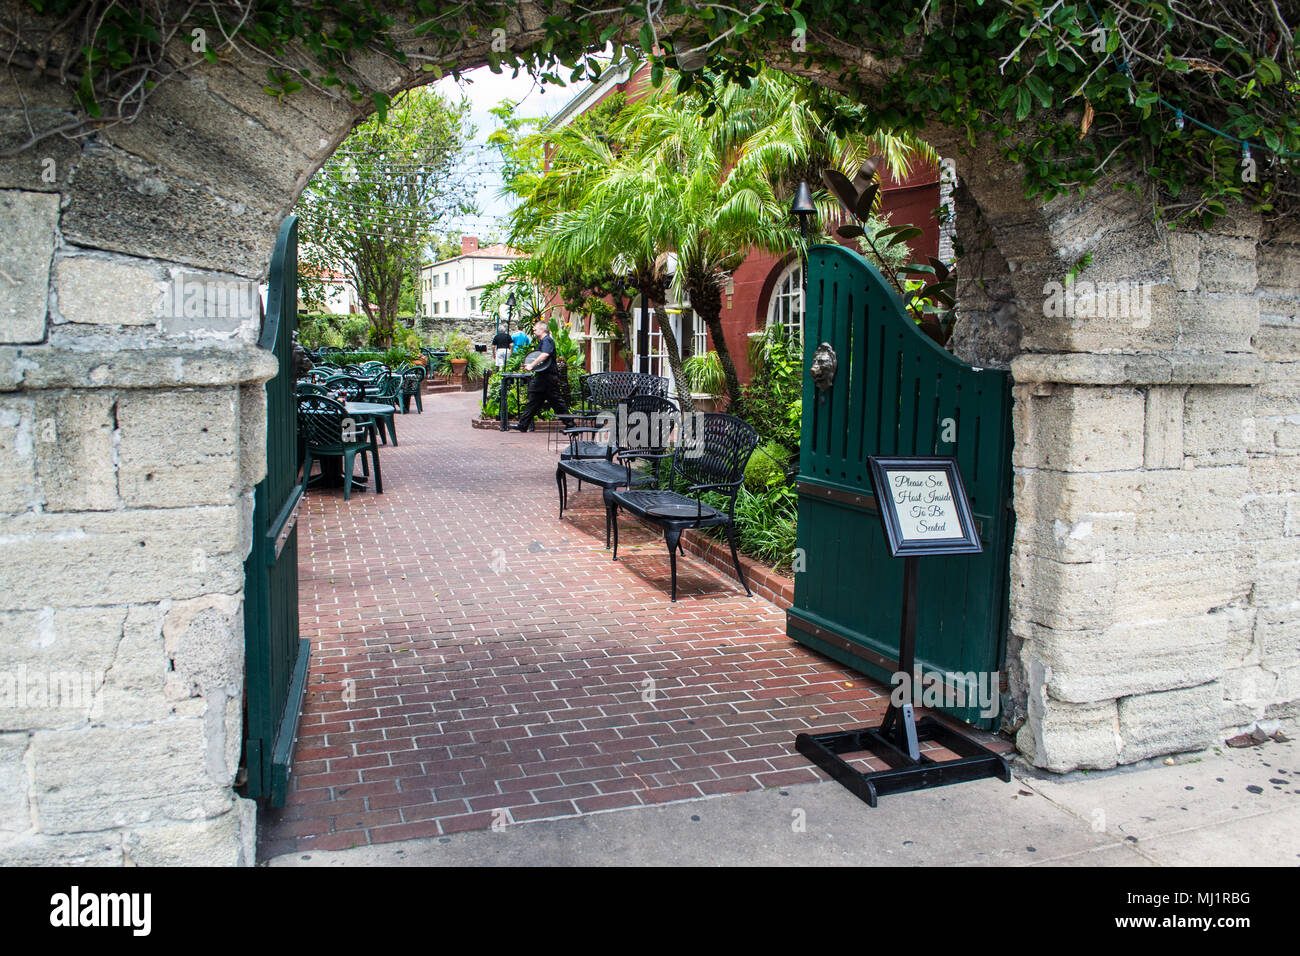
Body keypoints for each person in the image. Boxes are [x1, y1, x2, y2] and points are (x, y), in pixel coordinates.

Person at [513, 319, 569, 432]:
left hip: (548, 378)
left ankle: (571, 424)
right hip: (542, 378)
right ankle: (523, 425)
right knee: (534, 401)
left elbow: (545, 354)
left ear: (542, 329)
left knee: (556, 402)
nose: (533, 330)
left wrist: (531, 365)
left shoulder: (547, 340)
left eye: (535, 328)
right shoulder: (543, 341)